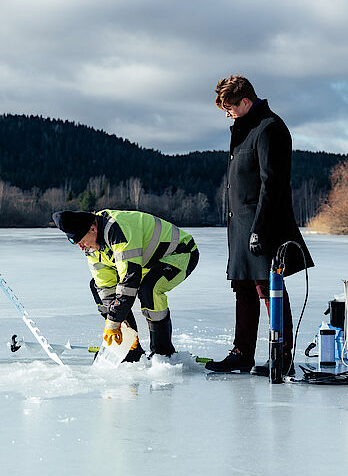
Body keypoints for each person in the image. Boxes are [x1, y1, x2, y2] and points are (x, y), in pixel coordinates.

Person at [205, 76, 314, 375]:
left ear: (245, 101)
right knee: (243, 288)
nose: (227, 114)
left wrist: (260, 228)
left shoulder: (269, 128)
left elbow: (273, 183)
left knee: (269, 288)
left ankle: (283, 355)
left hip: (263, 224)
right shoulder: (245, 129)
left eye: (230, 108)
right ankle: (242, 353)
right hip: (240, 225)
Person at [52, 209, 199, 360]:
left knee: (150, 289)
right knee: (97, 288)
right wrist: (119, 325)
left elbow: (129, 281)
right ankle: (130, 348)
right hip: (146, 262)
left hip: (180, 253)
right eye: (76, 243)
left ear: (93, 228)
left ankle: (163, 352)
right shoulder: (92, 247)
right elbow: (106, 287)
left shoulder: (118, 230)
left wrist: (113, 323)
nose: (81, 247)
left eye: (81, 241)